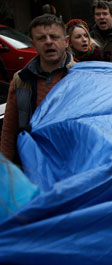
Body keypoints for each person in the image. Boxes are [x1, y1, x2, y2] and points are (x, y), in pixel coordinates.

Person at [1, 14, 75, 163]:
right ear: (33, 44)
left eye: (54, 37)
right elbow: (10, 129)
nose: (48, 42)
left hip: (71, 162)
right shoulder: (21, 80)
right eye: (41, 38)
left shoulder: (80, 76)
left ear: (66, 41)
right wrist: (6, 171)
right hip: (32, 163)